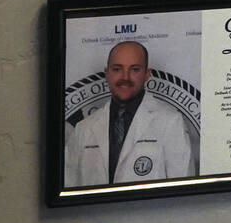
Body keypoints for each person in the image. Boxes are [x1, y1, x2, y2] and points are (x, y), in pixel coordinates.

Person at [63, 41, 199, 188]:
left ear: (147, 74)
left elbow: (183, 191)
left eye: (134, 69)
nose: (125, 77)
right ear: (107, 73)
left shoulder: (171, 122)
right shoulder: (83, 129)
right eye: (117, 69)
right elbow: (70, 186)